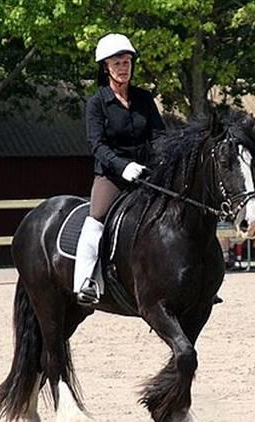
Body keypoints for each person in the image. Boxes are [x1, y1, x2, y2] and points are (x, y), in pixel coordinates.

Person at [74, 33, 166, 305]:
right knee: (95, 221)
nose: (123, 67)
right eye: (117, 63)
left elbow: (159, 136)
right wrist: (122, 166)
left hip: (147, 173)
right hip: (112, 176)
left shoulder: (144, 99)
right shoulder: (97, 103)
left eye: (127, 62)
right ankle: (86, 281)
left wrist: (160, 162)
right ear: (106, 67)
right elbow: (97, 144)